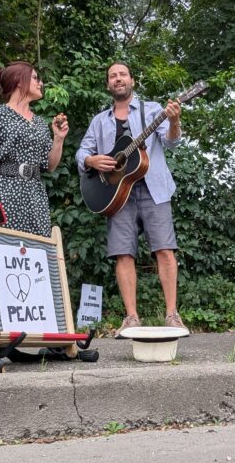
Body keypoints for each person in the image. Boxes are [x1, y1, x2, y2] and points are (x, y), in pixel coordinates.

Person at [76, 61, 186, 335]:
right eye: (112, 76)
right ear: (108, 85)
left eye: (122, 74)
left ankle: (172, 315)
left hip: (154, 189)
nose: (118, 79)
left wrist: (174, 120)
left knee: (165, 250)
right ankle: (131, 317)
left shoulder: (152, 111)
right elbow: (81, 153)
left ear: (132, 81)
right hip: (116, 194)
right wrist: (91, 159)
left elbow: (171, 141)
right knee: (123, 253)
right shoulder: (99, 120)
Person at [0, 61, 69, 238]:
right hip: (3, 189)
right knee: (3, 249)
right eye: (36, 78)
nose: (41, 83)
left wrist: (58, 139)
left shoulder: (39, 122)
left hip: (35, 194)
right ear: (19, 81)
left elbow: (50, 166)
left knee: (36, 250)